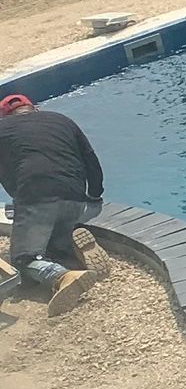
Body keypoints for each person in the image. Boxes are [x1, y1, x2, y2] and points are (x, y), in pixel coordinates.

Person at [0, 90, 106, 316]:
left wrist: (21, 204)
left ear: (5, 118)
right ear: (34, 108)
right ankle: (69, 246)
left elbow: (9, 177)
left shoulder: (3, 132)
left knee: (22, 259)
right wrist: (95, 198)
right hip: (77, 199)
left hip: (37, 201)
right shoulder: (62, 120)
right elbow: (91, 159)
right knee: (51, 244)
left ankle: (62, 276)